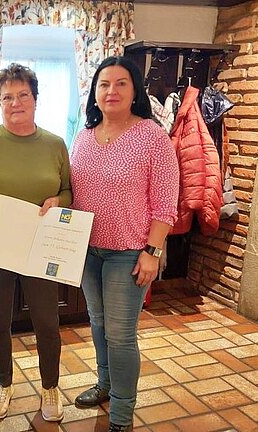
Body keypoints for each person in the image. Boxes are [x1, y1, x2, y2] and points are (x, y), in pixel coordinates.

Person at [69, 56, 179, 432]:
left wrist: (152, 252)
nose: (111, 91)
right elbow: (75, 190)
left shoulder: (152, 137)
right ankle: (105, 384)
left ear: (135, 92)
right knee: (98, 323)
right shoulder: (84, 136)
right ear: (94, 93)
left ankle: (121, 415)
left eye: (121, 83)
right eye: (104, 84)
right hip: (87, 250)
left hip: (129, 253)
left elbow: (166, 204)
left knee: (120, 334)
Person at [0, 63, 71, 422]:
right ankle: (3, 382)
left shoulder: (55, 144)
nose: (16, 103)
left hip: (41, 247)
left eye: (23, 95)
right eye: (7, 97)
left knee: (47, 322)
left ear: (35, 98)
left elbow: (67, 189)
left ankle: (50, 386)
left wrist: (59, 201)